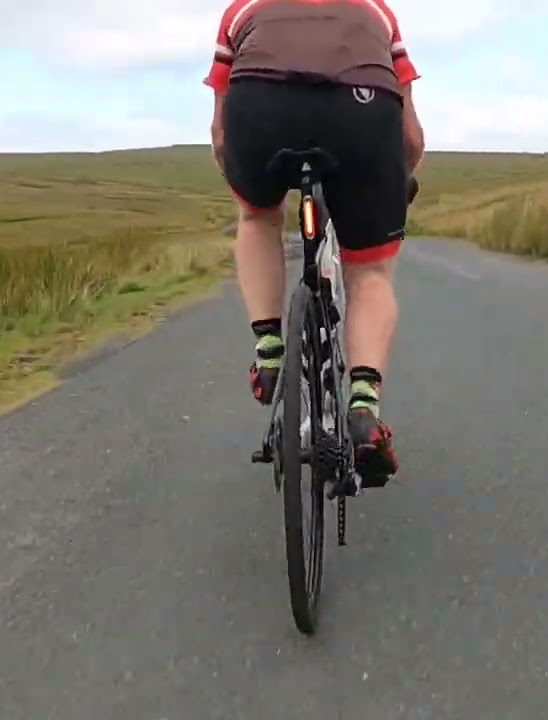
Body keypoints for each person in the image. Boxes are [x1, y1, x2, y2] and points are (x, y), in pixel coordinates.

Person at [204, 0, 426, 486]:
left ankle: (268, 352)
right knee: (368, 271)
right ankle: (364, 406)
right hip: (362, 109)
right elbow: (408, 134)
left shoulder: (243, 9)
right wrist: (394, 181)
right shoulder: (378, 12)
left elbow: (221, 134)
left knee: (258, 218)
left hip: (260, 105)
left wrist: (245, 184)